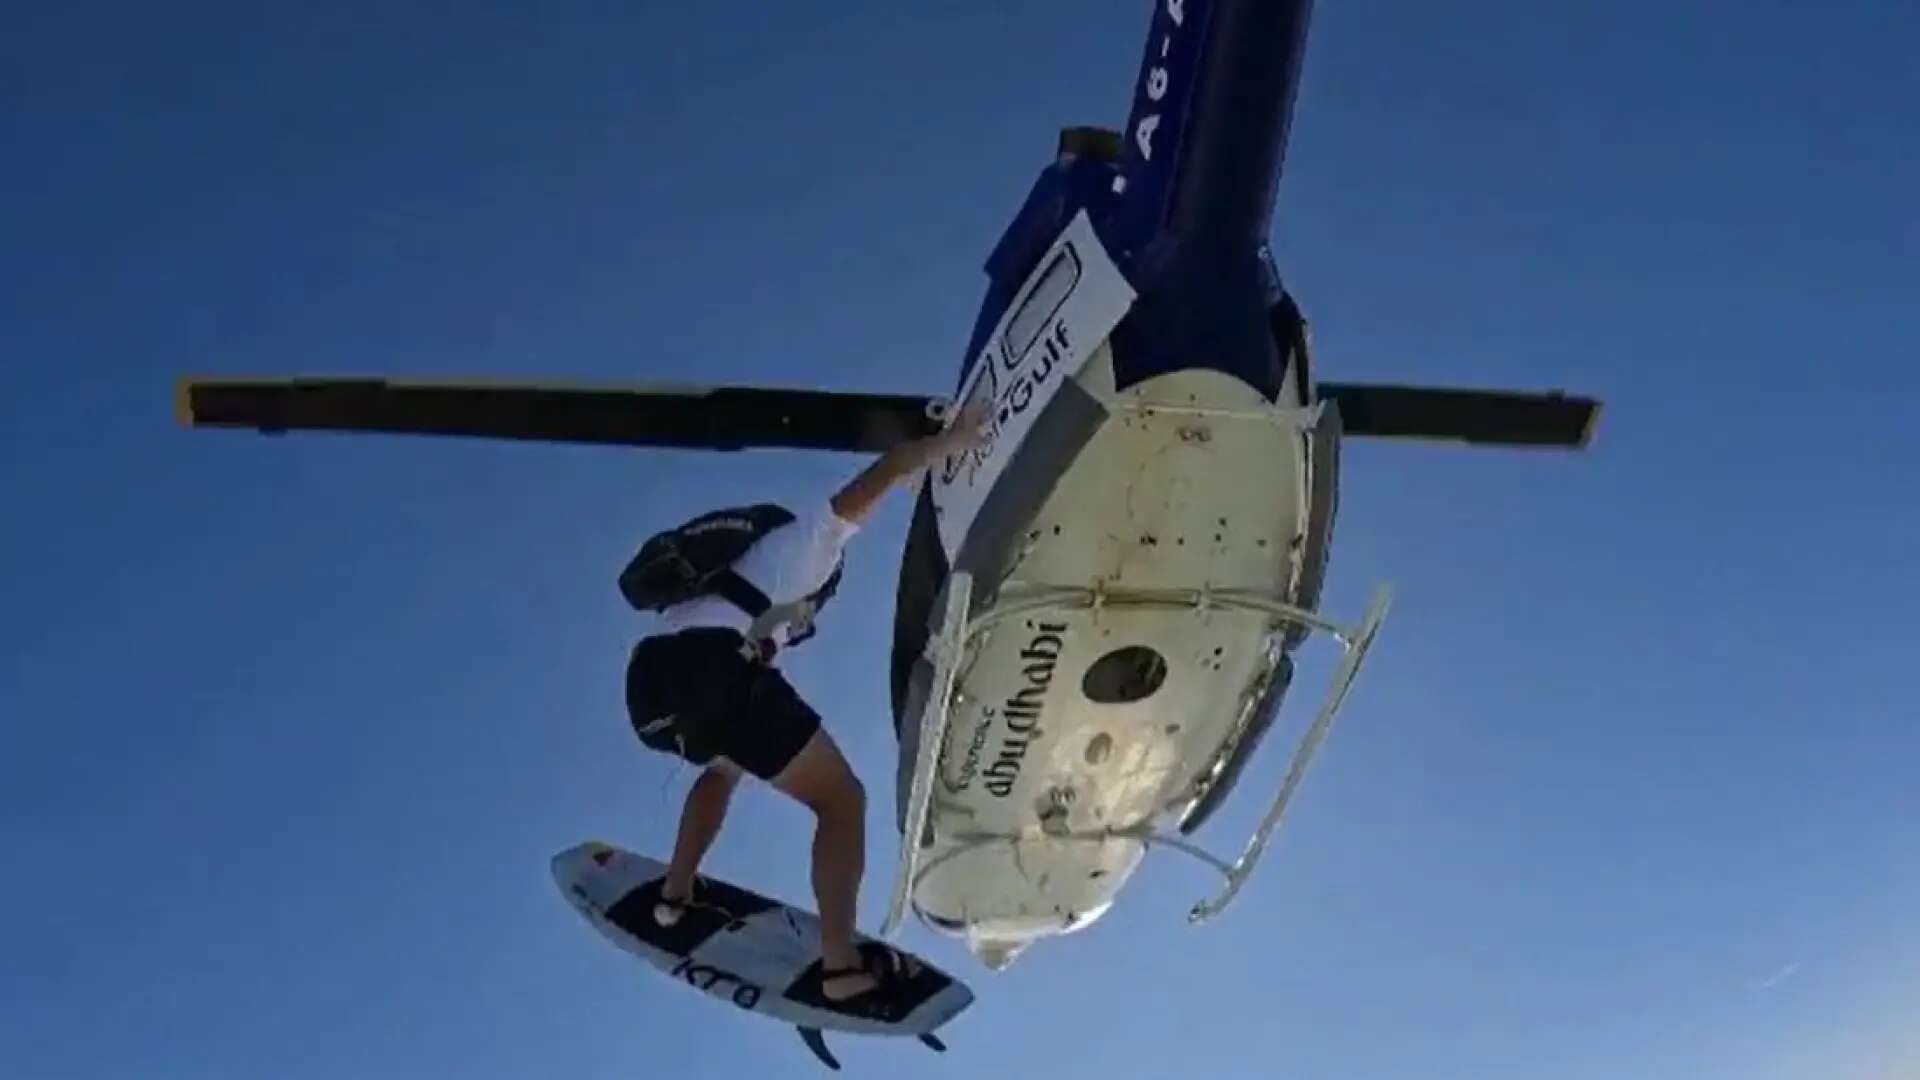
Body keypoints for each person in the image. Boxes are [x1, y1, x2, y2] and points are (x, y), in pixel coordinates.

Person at [622, 407, 988, 1007]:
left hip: (650, 687)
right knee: (842, 801)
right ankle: (840, 968)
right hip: (711, 668)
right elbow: (880, 477)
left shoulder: (734, 585)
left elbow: (726, 673)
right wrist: (950, 442)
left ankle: (674, 894)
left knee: (725, 764)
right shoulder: (805, 549)